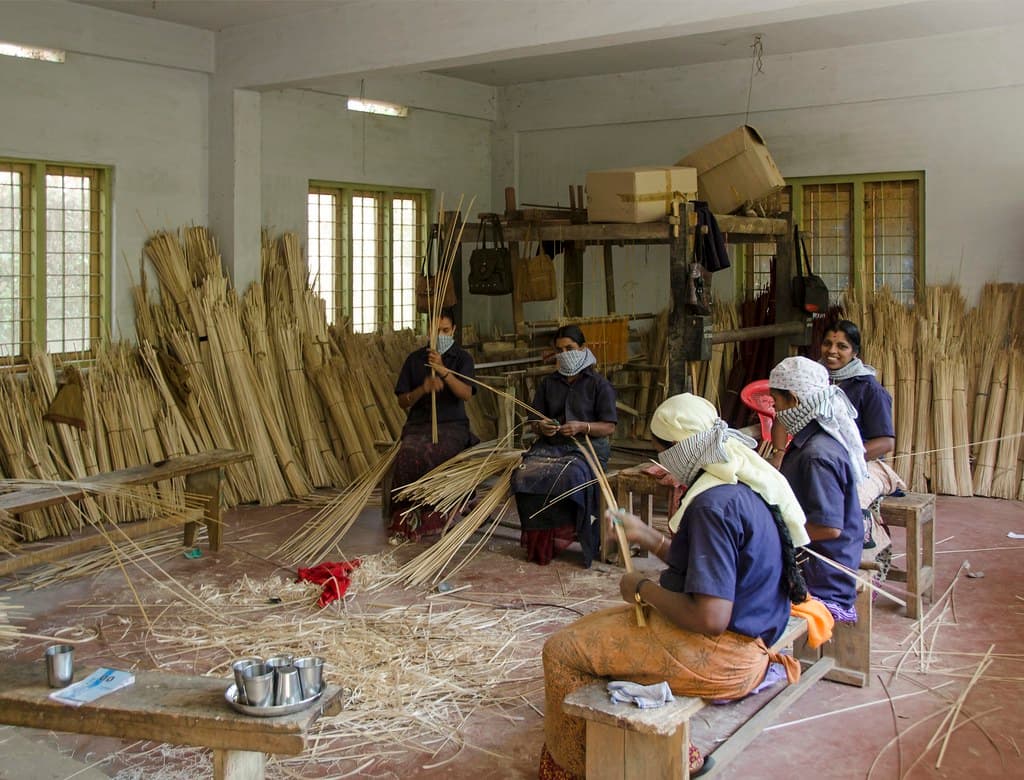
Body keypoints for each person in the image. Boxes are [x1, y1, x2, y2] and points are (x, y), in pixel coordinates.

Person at [539, 393, 811, 779]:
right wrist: (647, 536)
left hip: (726, 653)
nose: (660, 463)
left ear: (678, 451)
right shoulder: (738, 479)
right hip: (750, 635)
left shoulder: (711, 507)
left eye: (661, 453)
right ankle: (668, 753)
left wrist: (641, 589)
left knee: (563, 650)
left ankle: (581, 767)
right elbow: (709, 568)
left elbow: (710, 616)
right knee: (594, 631)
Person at [768, 356, 867, 620]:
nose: (776, 411)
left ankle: (772, 657)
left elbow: (828, 527)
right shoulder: (812, 441)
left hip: (823, 577)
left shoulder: (816, 455)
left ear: (793, 400)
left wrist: (776, 534)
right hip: (820, 565)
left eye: (776, 402)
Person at [511, 325, 617, 567]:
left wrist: (583, 427)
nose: (565, 353)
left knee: (570, 475)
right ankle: (542, 542)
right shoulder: (549, 384)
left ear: (583, 348)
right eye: (559, 350)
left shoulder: (599, 384)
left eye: (570, 348)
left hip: (586, 449)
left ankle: (568, 535)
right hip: (551, 446)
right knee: (523, 474)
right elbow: (535, 420)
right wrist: (542, 426)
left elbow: (609, 426)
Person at [388, 309, 477, 543]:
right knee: (408, 454)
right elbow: (401, 401)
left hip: (452, 426)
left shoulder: (463, 359)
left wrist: (444, 371)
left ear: (454, 330)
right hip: (418, 426)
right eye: (436, 331)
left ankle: (439, 511)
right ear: (428, 331)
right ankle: (407, 515)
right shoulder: (415, 360)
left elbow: (466, 394)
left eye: (445, 331)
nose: (440, 335)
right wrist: (423, 389)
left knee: (438, 452)